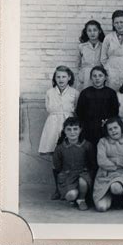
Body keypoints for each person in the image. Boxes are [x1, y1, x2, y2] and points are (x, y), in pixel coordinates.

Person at [38, 65, 79, 199]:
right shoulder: (50, 92)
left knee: (69, 156)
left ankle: (69, 188)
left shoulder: (74, 92)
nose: (61, 79)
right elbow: (48, 108)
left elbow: (76, 110)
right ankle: (57, 189)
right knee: (55, 159)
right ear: (55, 78)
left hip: (68, 124)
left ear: (69, 78)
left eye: (64, 77)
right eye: (58, 77)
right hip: (53, 125)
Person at [76, 66, 119, 172]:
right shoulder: (85, 93)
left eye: (100, 75)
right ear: (91, 78)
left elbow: (115, 112)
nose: (97, 78)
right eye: (94, 76)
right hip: (88, 130)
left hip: (104, 130)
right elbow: (79, 112)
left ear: (105, 78)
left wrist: (108, 121)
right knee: (90, 156)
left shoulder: (111, 93)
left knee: (104, 155)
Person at [92, 117, 123, 212]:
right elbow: (101, 161)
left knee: (116, 187)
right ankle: (109, 197)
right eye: (110, 129)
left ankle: (119, 199)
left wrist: (113, 160)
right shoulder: (102, 142)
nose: (113, 131)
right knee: (101, 208)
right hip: (105, 175)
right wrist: (122, 162)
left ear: (121, 127)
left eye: (115, 127)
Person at [52, 117, 95, 210]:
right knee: (71, 195)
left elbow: (92, 163)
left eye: (75, 129)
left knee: (83, 182)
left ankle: (81, 199)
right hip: (68, 176)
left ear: (80, 130)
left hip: (83, 174)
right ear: (64, 131)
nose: (72, 132)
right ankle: (73, 196)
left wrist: (87, 172)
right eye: (69, 129)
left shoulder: (87, 145)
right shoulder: (60, 148)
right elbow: (57, 165)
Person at [77, 20, 105, 90]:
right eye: (89, 30)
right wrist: (82, 74)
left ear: (99, 31)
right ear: (86, 32)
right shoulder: (81, 46)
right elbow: (78, 64)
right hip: (85, 75)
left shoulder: (103, 46)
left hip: (99, 76)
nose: (92, 33)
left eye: (95, 30)